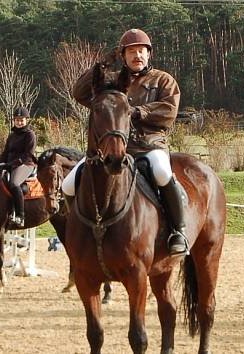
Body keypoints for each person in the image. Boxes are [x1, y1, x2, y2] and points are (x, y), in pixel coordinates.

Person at [62, 28, 187, 256]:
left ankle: (178, 230)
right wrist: (102, 64)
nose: (137, 55)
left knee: (161, 172)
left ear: (149, 54)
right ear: (123, 56)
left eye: (141, 51)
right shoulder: (113, 81)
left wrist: (138, 112)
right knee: (68, 184)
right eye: (131, 51)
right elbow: (79, 93)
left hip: (149, 145)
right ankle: (82, 232)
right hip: (114, 149)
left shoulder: (163, 80)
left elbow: (169, 109)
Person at [0, 107, 37, 227]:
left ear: (26, 120)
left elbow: (28, 154)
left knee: (14, 183)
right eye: (17, 120)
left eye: (21, 120)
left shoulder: (30, 135)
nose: (19, 122)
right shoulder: (12, 136)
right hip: (11, 164)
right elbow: (5, 153)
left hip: (26, 164)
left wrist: (11, 164)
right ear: (14, 121)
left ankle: (20, 216)